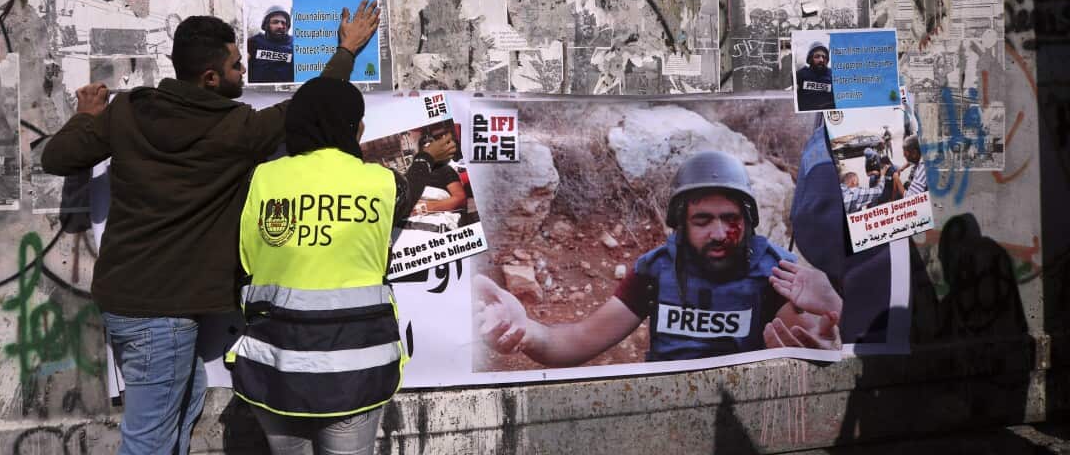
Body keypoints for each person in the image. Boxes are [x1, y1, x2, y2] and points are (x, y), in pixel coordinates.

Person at [41, 2, 379, 455]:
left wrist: (86, 115)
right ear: (211, 79)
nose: (244, 71)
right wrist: (346, 51)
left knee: (182, 410)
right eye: (237, 65)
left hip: (128, 302)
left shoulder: (127, 113)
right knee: (149, 440)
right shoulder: (236, 129)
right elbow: (309, 107)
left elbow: (57, 157)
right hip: (164, 312)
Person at [227, 77, 454, 455]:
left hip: (276, 362)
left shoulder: (259, 179)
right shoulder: (380, 183)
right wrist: (427, 158)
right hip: (356, 370)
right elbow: (408, 192)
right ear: (354, 127)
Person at [474, 151, 842, 365]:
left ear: (748, 222)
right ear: (680, 225)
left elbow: (817, 341)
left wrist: (830, 336)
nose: (719, 233)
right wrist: (526, 331)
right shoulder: (656, 270)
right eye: (703, 220)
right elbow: (577, 340)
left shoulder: (775, 273)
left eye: (731, 219)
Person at [247, 5, 294, 83]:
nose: (280, 26)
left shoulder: (294, 45)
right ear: (266, 24)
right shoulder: (254, 42)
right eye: (275, 22)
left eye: (283, 23)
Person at [795, 41, 835, 111]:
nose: (821, 60)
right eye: (817, 56)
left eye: (824, 57)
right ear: (810, 58)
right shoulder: (800, 74)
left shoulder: (833, 75)